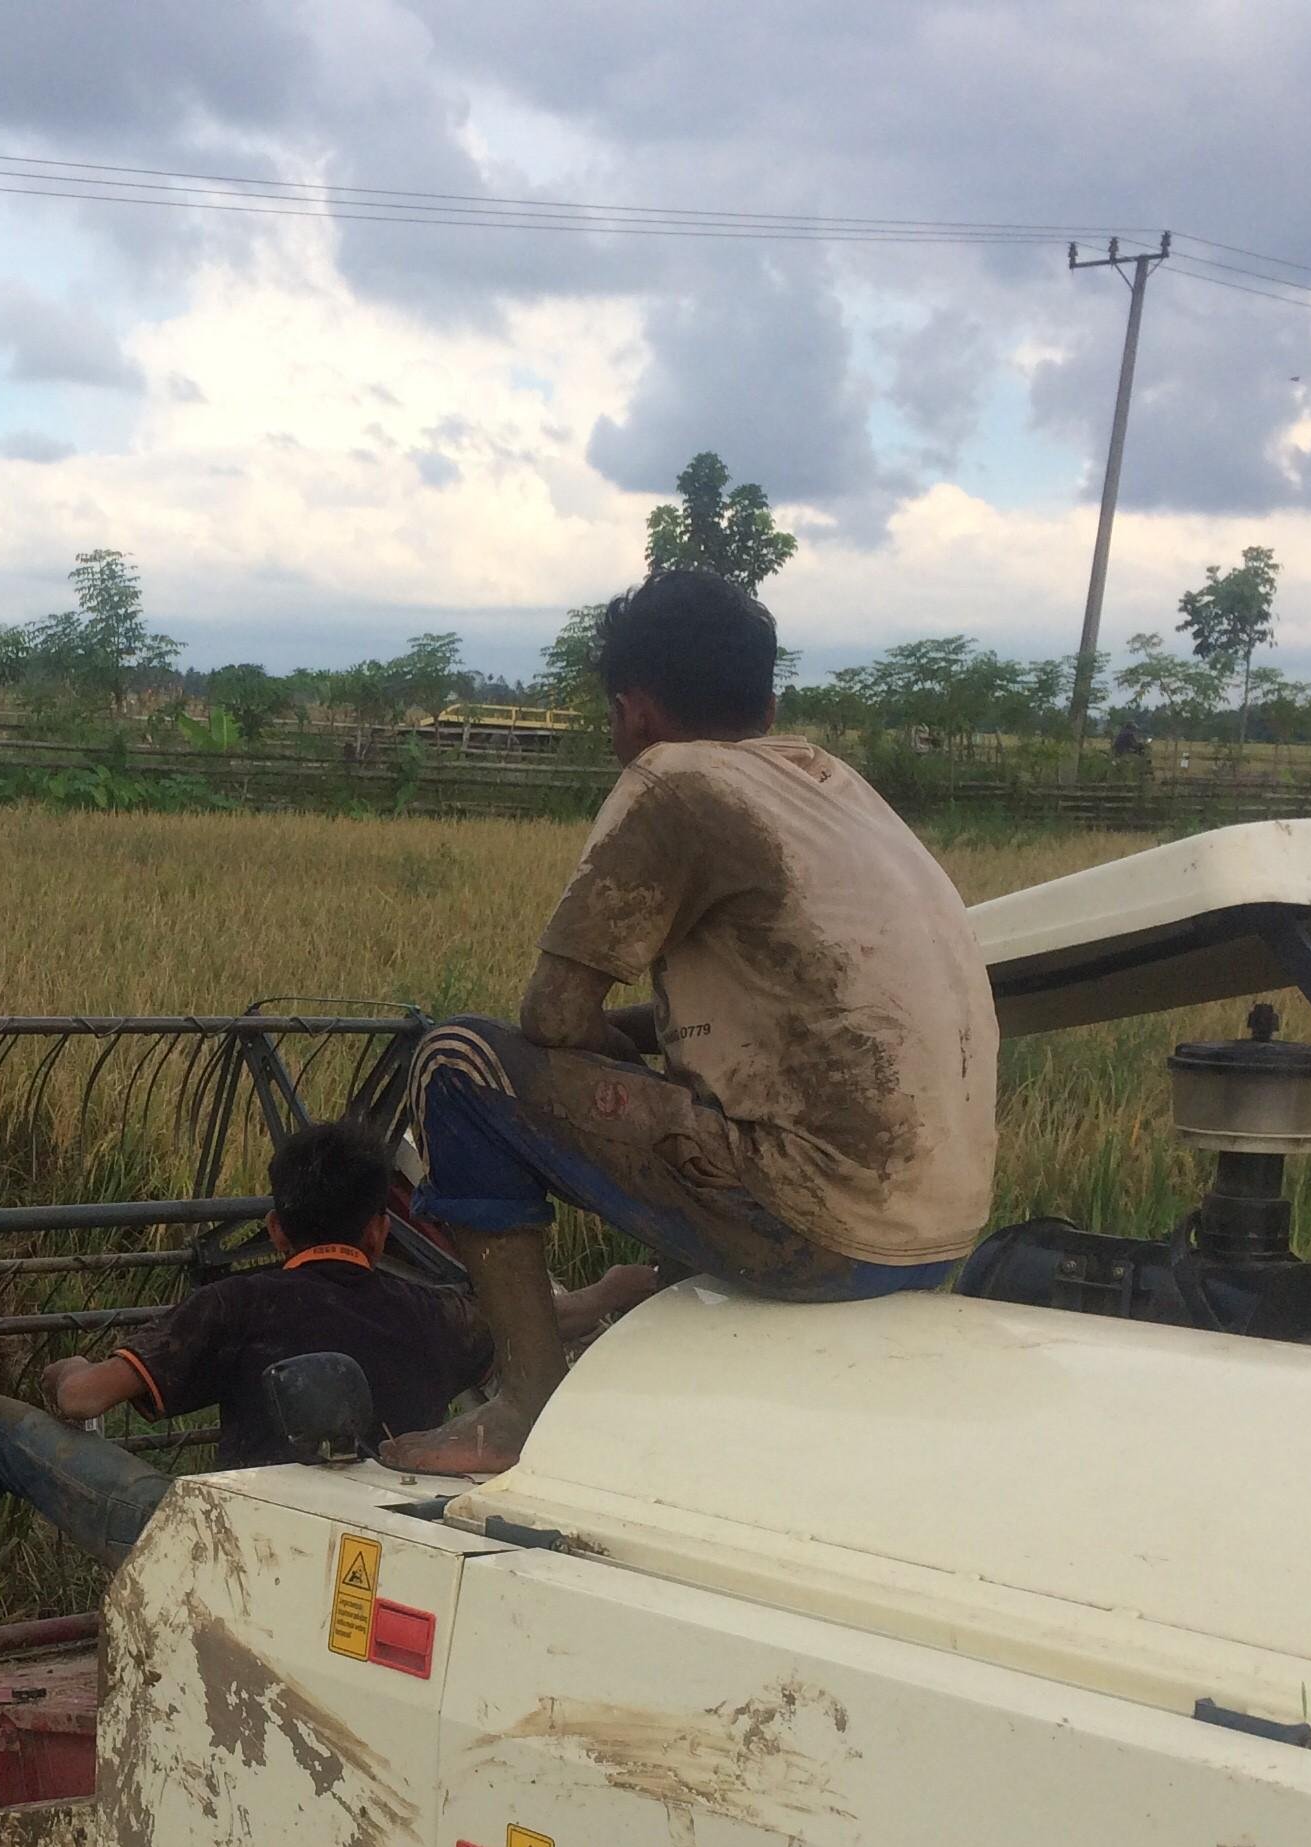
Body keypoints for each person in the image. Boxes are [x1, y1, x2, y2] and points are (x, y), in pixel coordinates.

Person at [380, 569, 1000, 1478]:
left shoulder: (673, 779)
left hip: (821, 1227)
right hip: (939, 1230)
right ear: (769, 699)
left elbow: (552, 1016)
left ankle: (524, 1404)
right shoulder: (833, 786)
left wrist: (612, 1058)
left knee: (460, 1062)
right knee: (687, 1083)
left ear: (634, 711)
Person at [0, 1121, 648, 1706]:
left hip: (226, 1554)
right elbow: (550, 1316)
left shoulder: (235, 1305)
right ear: (381, 1233)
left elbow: (86, 1399)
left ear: (276, 1229)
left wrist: (66, 1377)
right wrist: (621, 1288)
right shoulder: (435, 1316)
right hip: (368, 1575)